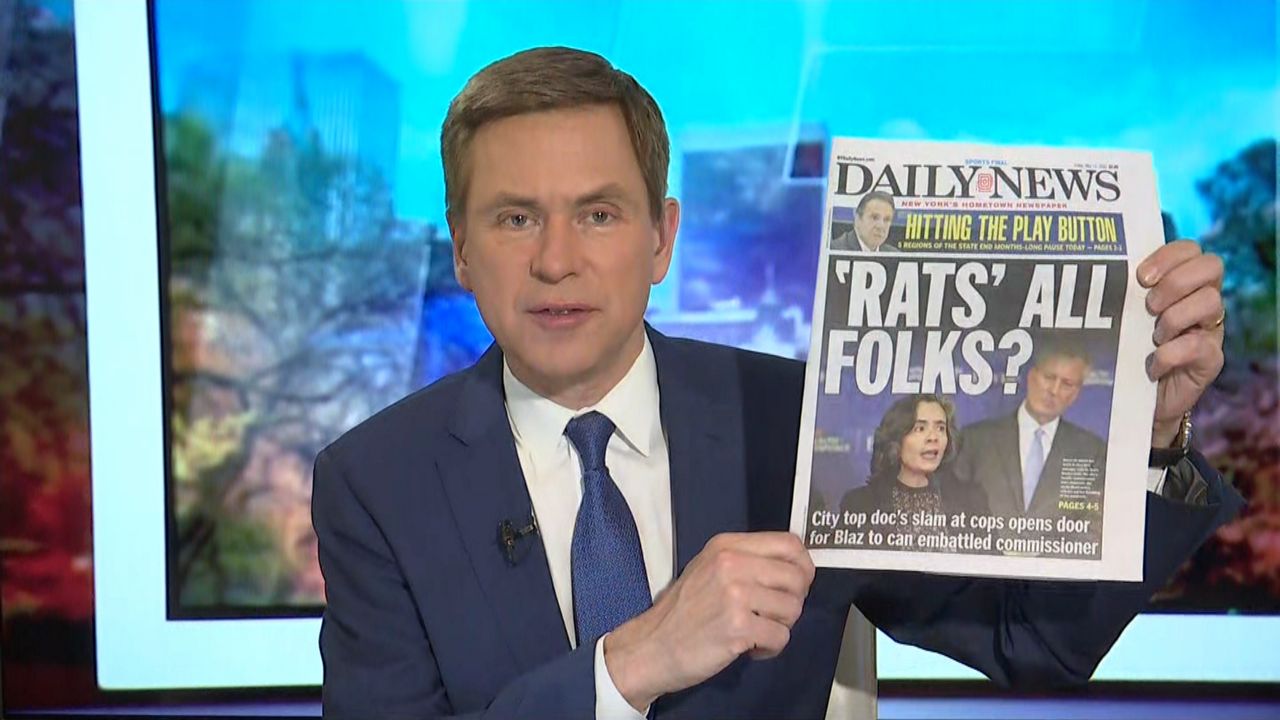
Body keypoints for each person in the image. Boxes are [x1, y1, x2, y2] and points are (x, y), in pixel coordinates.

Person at [312, 47, 1242, 719]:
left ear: (662, 239)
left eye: (598, 214)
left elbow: (1032, 640)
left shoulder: (805, 424)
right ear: (461, 250)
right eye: (516, 219)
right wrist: (629, 666)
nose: (557, 261)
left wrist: (1150, 435)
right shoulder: (375, 483)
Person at [953, 340, 1107, 529]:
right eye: (1049, 377)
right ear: (1032, 377)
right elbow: (953, 510)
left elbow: (1093, 524)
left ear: (1076, 393)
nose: (1054, 391)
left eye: (1067, 384)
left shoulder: (1092, 451)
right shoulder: (976, 439)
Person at [838, 394, 989, 527]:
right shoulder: (859, 503)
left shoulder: (972, 500)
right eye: (920, 428)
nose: (933, 437)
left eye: (940, 428)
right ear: (896, 440)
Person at [830, 191, 898, 252]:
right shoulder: (834, 250)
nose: (880, 226)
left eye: (886, 219)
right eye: (874, 217)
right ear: (857, 219)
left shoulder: (894, 254)